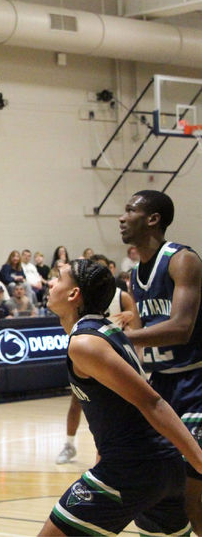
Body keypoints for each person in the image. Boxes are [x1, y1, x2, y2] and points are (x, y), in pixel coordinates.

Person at [39, 258, 202, 537]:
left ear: (73, 294)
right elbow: (116, 409)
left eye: (58, 278)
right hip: (160, 467)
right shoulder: (107, 330)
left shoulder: (85, 343)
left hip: (132, 469)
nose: (51, 283)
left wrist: (198, 459)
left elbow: (153, 402)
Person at [119, 189, 202, 533]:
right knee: (169, 494)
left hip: (196, 382)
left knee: (193, 491)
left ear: (153, 219)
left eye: (130, 210)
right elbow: (145, 334)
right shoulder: (136, 273)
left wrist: (116, 337)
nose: (122, 217)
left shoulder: (182, 259)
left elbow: (181, 328)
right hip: (163, 384)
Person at [54, 253, 140, 465]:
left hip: (110, 358)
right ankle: (70, 444)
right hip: (98, 355)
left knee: (121, 409)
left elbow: (154, 403)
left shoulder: (120, 297)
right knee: (82, 403)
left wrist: (130, 317)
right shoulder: (81, 331)